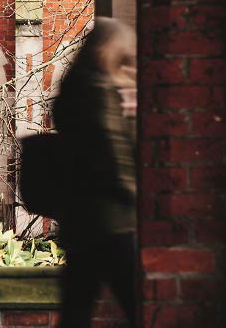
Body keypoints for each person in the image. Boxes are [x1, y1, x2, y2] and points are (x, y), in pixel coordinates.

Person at [52, 17, 137, 328]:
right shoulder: (99, 90)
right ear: (110, 50)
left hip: (80, 221)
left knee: (76, 309)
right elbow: (113, 149)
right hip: (111, 220)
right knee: (141, 303)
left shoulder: (73, 88)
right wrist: (136, 194)